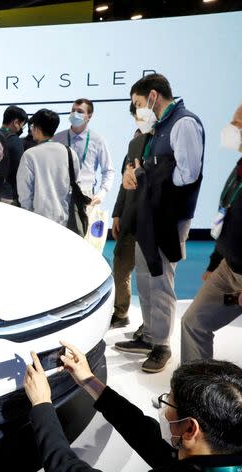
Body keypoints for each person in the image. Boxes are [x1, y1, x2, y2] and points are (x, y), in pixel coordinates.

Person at [24, 341, 242, 472]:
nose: (164, 411)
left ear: (191, 429)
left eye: (168, 402)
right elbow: (148, 438)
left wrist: (42, 404)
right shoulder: (236, 471)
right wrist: (90, 382)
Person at [114, 73, 205, 373]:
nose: (138, 110)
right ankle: (149, 334)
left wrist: (148, 171)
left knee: (161, 280)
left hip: (170, 218)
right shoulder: (158, 128)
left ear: (153, 96)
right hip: (149, 214)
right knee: (145, 275)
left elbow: (186, 174)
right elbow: (148, 168)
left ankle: (161, 345)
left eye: (139, 103)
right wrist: (137, 172)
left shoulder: (184, 123)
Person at [181, 92, 242, 362]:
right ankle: (196, 395)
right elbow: (225, 213)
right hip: (228, 269)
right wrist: (214, 261)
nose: (229, 126)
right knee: (193, 323)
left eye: (235, 121)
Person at [109, 103, 151, 329]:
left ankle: (150, 326)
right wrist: (117, 214)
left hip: (151, 222)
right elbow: (124, 186)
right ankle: (121, 312)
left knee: (150, 279)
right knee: (121, 268)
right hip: (128, 219)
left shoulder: (165, 144)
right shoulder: (134, 145)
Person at [16, 109, 80, 226]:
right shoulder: (69, 152)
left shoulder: (30, 155)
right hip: (65, 219)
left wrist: (28, 213)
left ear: (37, 128)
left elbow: (24, 192)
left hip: (37, 220)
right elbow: (75, 183)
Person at [52, 98, 115, 206]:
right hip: (60, 195)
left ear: (89, 116)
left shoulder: (97, 140)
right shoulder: (57, 139)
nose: (75, 113)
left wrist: (102, 193)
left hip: (85, 194)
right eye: (73, 110)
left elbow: (108, 170)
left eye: (80, 111)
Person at [0, 105, 28, 204]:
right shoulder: (14, 140)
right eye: (22, 125)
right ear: (16, 122)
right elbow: (20, 170)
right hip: (8, 195)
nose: (22, 128)